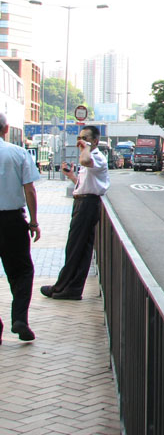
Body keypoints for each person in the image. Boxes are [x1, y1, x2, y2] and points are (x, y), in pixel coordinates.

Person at [41, 125, 109, 301]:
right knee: (80, 247)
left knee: (75, 247)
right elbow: (85, 183)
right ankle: (70, 287)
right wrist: (71, 176)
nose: (81, 141)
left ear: (95, 141)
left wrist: (85, 148)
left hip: (87, 205)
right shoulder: (90, 156)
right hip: (83, 202)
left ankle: (63, 287)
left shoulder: (95, 157)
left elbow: (86, 162)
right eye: (80, 138)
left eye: (85, 138)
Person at [0, 112, 40, 342]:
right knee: (22, 271)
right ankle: (20, 319)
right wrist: (33, 222)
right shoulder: (18, 153)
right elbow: (29, 190)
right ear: (6, 129)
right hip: (12, 222)